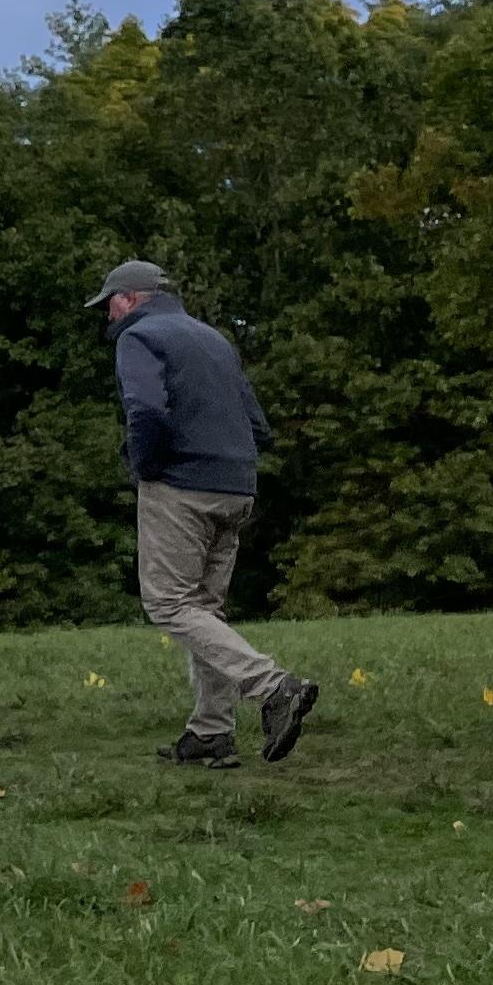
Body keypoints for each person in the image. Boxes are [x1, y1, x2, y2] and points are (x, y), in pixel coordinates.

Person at [100, 259, 318, 767]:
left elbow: (147, 410)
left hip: (181, 485)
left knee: (170, 604)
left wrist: (145, 468)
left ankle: (274, 687)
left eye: (108, 304)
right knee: (204, 609)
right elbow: (257, 422)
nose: (106, 316)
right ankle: (211, 731)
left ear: (129, 298)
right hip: (236, 485)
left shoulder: (140, 337)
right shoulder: (214, 339)